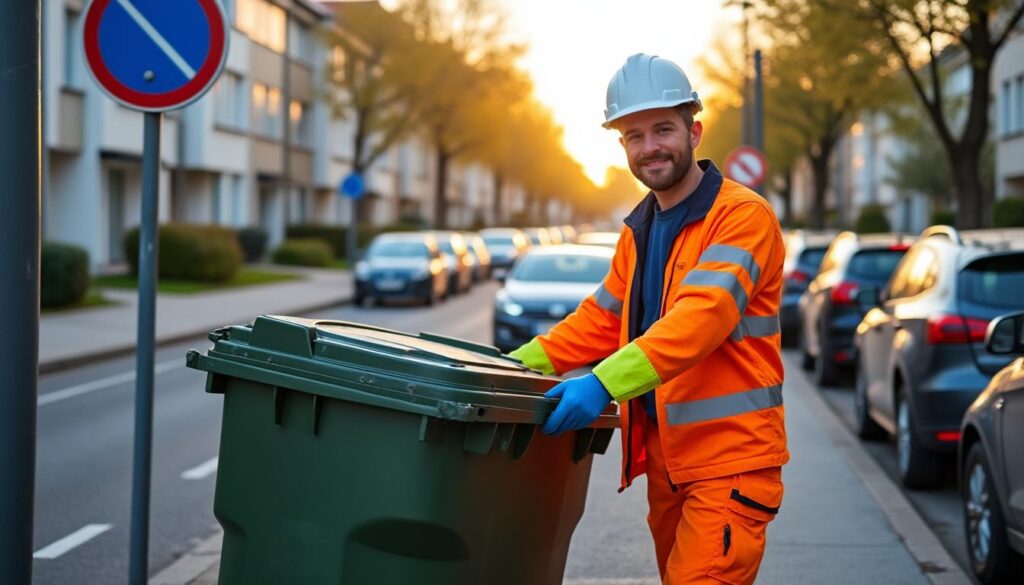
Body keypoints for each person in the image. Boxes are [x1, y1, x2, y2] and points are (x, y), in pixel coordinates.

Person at [509, 53, 788, 585]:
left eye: (663, 129)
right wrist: (515, 364)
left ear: (695, 131)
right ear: (622, 147)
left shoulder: (740, 217)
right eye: (634, 136)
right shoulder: (640, 228)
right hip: (670, 463)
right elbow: (598, 319)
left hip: (729, 460)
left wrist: (601, 382)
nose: (650, 146)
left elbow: (699, 320)